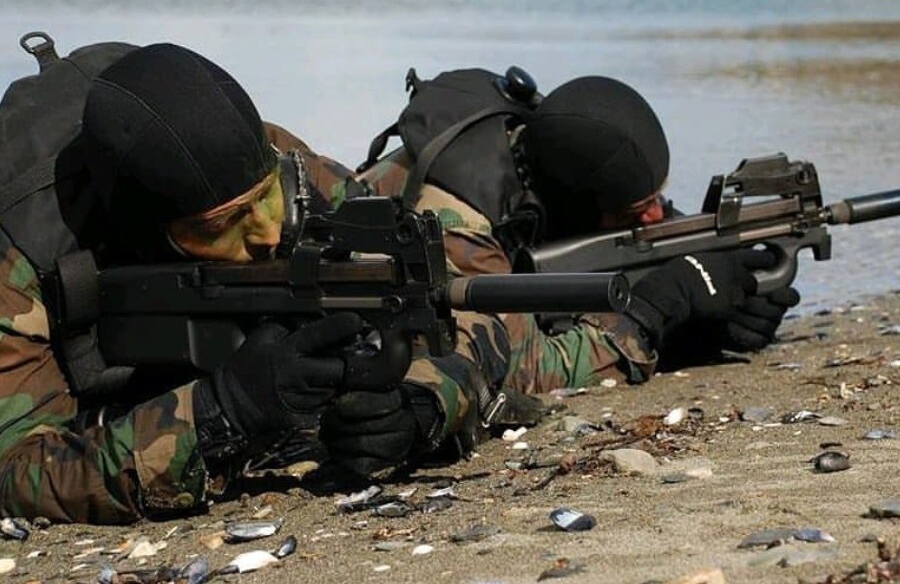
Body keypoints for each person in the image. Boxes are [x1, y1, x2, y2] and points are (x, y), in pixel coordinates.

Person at [0, 43, 507, 523]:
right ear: (148, 234)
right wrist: (220, 414)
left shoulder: (274, 168)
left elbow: (448, 303)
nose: (267, 233)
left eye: (264, 199)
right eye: (223, 225)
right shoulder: (18, 257)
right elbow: (14, 475)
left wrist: (421, 401)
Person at [346, 70, 800, 378]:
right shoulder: (458, 221)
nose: (657, 216)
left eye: (658, 196)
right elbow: (522, 368)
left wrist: (715, 308)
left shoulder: (545, 157)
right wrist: (654, 311)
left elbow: (627, 245)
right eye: (637, 210)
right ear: (578, 204)